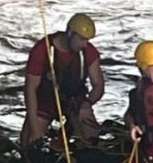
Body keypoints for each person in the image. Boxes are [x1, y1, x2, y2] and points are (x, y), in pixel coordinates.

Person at [21, 13, 104, 144]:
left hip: (75, 101)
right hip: (46, 100)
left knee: (92, 138)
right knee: (31, 140)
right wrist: (35, 128)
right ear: (70, 33)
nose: (85, 44)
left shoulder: (89, 52)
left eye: (87, 40)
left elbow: (98, 85)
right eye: (82, 39)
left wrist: (87, 103)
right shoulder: (42, 50)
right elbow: (30, 89)